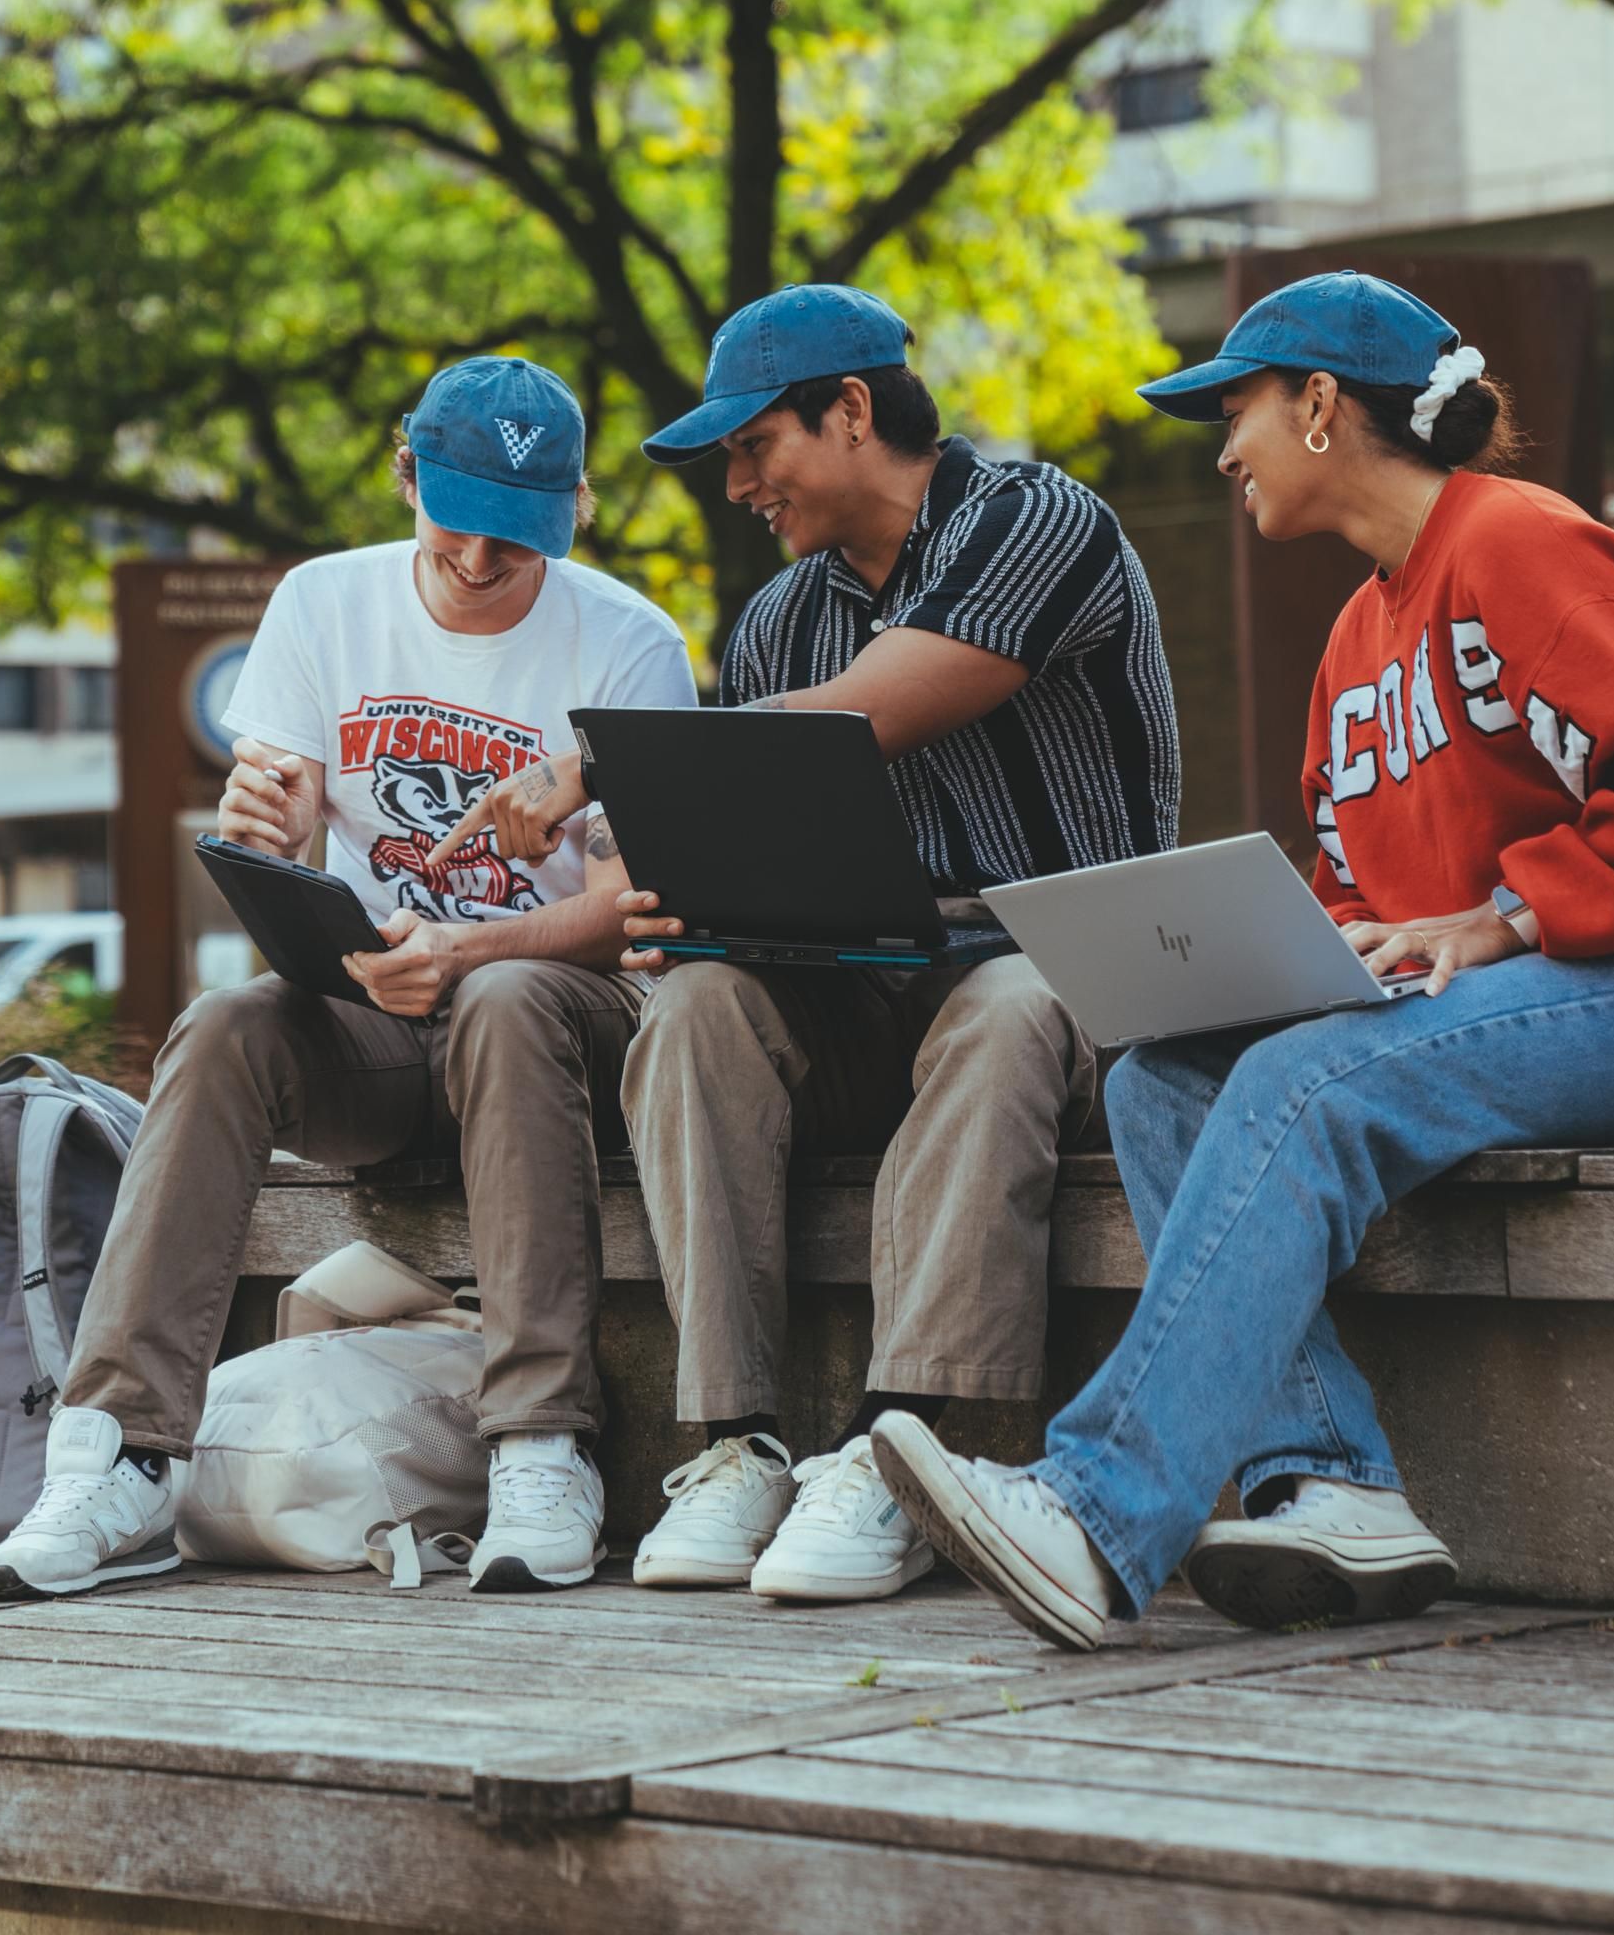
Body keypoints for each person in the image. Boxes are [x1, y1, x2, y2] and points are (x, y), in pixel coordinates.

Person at [868, 270, 1614, 1649]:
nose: (1223, 445)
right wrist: (1286, 959)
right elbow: (1357, 885)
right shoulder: (1357, 633)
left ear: (1320, 406)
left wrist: (1508, 913)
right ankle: (1333, 1487)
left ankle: (1098, 1508)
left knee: (1307, 1084)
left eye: (1234, 407)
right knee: (1160, 1082)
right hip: (1477, 1009)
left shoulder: (1521, 545)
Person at [441, 282, 1180, 1607]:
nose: (738, 486)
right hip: (869, 993)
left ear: (851, 411)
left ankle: (908, 1450)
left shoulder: (1038, 518)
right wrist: (668, 891)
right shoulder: (784, 617)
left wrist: (595, 768)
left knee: (1005, 1004)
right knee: (701, 998)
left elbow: (877, 710)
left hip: (1066, 988)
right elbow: (758, 815)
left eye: (752, 446)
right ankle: (739, 1442)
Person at [0, 356, 695, 1604]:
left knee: (509, 1003)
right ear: (405, 472)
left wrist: (467, 949)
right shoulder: (322, 603)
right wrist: (273, 837)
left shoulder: (630, 643)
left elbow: (634, 915)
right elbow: (289, 886)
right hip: (379, 1026)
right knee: (224, 1029)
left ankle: (541, 1443)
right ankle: (118, 1454)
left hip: (551, 1028)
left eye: (515, 542)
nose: (478, 562)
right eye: (456, 523)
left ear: (576, 509)